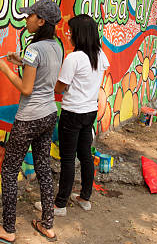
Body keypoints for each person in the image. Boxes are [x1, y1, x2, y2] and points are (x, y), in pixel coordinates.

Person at [0, 0, 62, 243]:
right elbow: (41, 76)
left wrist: (4, 68)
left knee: (8, 170)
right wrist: (20, 63)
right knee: (43, 169)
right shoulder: (55, 45)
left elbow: (27, 89)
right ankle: (48, 225)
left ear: (41, 21)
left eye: (30, 16)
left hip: (29, 118)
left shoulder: (34, 49)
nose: (26, 19)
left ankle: (8, 229)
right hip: (48, 114)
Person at [40, 14, 109, 216]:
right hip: (89, 112)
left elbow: (61, 87)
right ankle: (85, 197)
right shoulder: (100, 54)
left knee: (68, 158)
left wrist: (49, 82)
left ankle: (60, 205)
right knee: (86, 155)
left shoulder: (74, 58)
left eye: (70, 31)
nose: (68, 35)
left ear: (79, 34)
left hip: (72, 113)